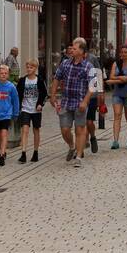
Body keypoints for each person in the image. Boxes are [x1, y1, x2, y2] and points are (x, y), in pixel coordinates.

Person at [51, 37, 92, 167]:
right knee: (64, 129)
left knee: (80, 130)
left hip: (80, 102)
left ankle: (78, 157)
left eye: (74, 48)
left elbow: (93, 86)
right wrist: (52, 96)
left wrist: (85, 101)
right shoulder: (65, 63)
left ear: (81, 50)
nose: (71, 50)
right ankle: (71, 146)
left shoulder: (88, 66)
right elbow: (56, 78)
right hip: (65, 102)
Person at [106, 44, 127, 149]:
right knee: (117, 115)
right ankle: (115, 141)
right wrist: (121, 78)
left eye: (126, 52)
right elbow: (110, 76)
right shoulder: (116, 64)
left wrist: (114, 79)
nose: (123, 54)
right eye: (122, 52)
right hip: (117, 93)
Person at [15, 60, 46, 163]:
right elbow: (18, 94)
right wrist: (18, 106)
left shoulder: (40, 80)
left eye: (31, 67)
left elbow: (44, 94)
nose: (29, 69)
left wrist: (40, 104)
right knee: (25, 130)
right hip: (25, 109)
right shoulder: (22, 81)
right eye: (27, 67)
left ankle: (35, 152)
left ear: (35, 68)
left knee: (36, 130)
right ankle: (23, 153)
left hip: (36, 110)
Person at [84, 48, 106, 154]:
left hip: (92, 94)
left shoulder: (92, 59)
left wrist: (100, 92)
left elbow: (98, 74)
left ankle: (92, 137)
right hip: (79, 96)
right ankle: (82, 143)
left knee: (89, 121)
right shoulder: (72, 61)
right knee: (80, 122)